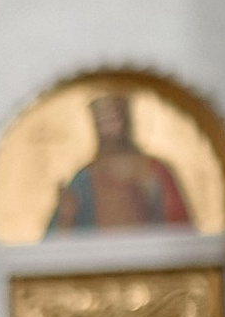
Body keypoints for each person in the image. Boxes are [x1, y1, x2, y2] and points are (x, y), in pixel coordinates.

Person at [47, 93, 194, 233]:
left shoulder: (154, 169)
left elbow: (179, 226)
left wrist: (148, 191)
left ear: (126, 120)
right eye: (102, 122)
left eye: (112, 119)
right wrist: (66, 213)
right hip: (100, 255)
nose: (108, 128)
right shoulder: (85, 177)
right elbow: (59, 235)